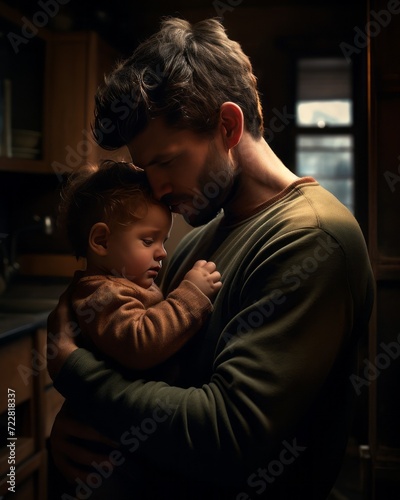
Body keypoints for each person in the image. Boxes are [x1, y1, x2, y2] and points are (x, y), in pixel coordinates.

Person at [47, 16, 374, 500]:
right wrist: (73, 438)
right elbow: (142, 371)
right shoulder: (198, 241)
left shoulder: (312, 238)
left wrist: (74, 370)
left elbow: (228, 434)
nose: (154, 187)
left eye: (164, 161)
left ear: (227, 125)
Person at [57, 159, 222, 376]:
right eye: (148, 241)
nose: (162, 252)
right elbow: (141, 344)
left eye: (163, 241)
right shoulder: (102, 295)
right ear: (102, 241)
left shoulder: (125, 283)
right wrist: (191, 294)